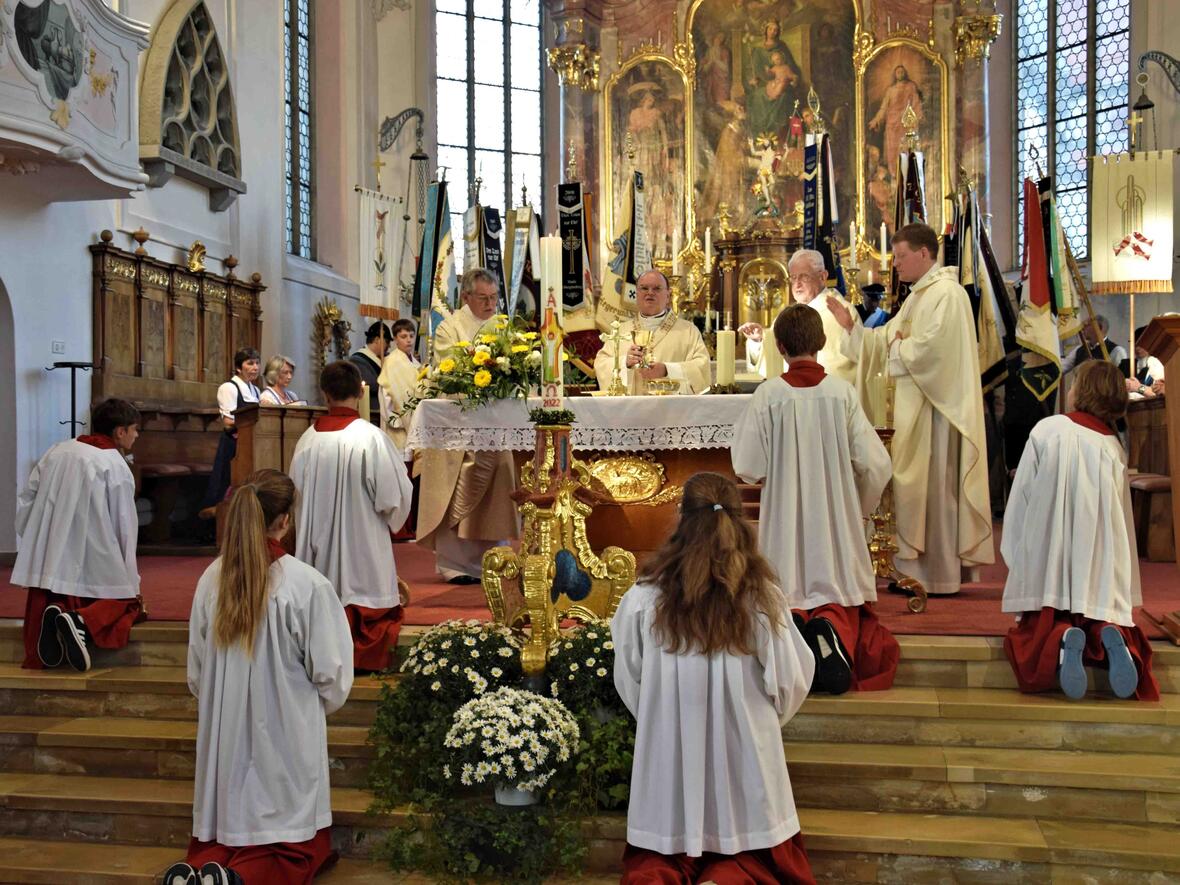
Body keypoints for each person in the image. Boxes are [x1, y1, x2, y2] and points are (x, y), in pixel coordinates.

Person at [612, 472, 816, 884]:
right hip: (745, 747)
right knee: (749, 845)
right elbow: (791, 679)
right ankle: (730, 875)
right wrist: (759, 725)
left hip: (668, 744)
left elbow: (630, 678)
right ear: (740, 521)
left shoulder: (643, 597)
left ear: (681, 519)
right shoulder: (761, 597)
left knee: (660, 856)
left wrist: (661, 716)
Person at [166, 469, 353, 885]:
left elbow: (196, 672)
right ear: (285, 520)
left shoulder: (211, 579)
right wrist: (303, 708)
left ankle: (199, 871)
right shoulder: (307, 585)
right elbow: (332, 675)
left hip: (224, 732)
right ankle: (237, 880)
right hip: (286, 732)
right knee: (286, 840)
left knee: (225, 829)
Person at [732, 304, 896, 694]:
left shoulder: (769, 395)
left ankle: (797, 644)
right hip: (836, 521)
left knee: (784, 589)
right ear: (822, 342)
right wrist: (859, 508)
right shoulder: (842, 393)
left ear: (779, 345)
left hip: (784, 520)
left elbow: (748, 465)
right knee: (835, 589)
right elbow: (877, 464)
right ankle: (831, 632)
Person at [828, 222, 993, 596]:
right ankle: (911, 569)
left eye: (901, 256)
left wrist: (900, 348)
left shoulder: (947, 295)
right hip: (911, 412)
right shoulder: (919, 296)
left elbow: (933, 353)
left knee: (931, 487)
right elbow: (887, 339)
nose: (895, 264)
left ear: (923, 253)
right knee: (909, 488)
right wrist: (853, 329)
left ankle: (937, 575)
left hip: (936, 414)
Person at [1000, 361, 1159, 701]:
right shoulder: (1113, 447)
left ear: (1080, 391)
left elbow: (1022, 497)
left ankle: (1061, 638)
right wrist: (1120, 581)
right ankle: (1108, 633)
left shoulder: (1048, 429)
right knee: (1096, 607)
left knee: (1036, 627)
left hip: (1050, 554)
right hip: (1097, 562)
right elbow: (1120, 521)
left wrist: (1020, 558)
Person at [290, 361, 413, 671]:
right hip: (363, 549)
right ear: (360, 391)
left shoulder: (306, 441)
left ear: (324, 393)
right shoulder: (369, 438)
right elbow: (393, 498)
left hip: (316, 553)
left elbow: (295, 498)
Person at [13, 398, 143, 671]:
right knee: (129, 603)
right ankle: (80, 620)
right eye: (134, 429)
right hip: (93, 554)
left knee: (53, 592)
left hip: (48, 552)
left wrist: (36, 539)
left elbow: (28, 498)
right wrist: (130, 577)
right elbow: (124, 525)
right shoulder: (115, 466)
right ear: (120, 432)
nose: (136, 435)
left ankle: (57, 616)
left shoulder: (57, 450)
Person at [416, 268, 520, 582]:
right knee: (457, 486)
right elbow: (451, 367)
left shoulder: (503, 326)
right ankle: (455, 564)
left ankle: (495, 558)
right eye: (484, 298)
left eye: (494, 298)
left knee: (497, 491)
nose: (490, 304)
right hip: (460, 422)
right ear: (466, 297)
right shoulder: (450, 327)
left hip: (496, 424)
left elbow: (515, 362)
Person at [739, 249, 861, 383]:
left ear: (823, 277)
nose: (797, 284)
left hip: (828, 393)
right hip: (789, 392)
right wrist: (760, 339)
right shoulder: (787, 315)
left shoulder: (842, 311)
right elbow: (773, 360)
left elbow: (858, 355)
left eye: (804, 276)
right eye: (793, 277)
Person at [593, 270, 710, 395]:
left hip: (672, 410)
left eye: (657, 288)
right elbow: (601, 363)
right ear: (636, 294)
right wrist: (624, 363)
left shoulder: (688, 331)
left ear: (668, 296)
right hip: (630, 409)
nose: (650, 293)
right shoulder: (621, 330)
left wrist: (667, 370)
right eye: (644, 288)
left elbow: (701, 367)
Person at [201, 347, 262, 512]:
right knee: (224, 485)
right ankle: (214, 528)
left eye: (257, 363)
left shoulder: (255, 390)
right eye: (250, 363)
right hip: (233, 446)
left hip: (250, 445)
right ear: (238, 367)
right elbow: (228, 423)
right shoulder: (228, 388)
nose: (255, 367)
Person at [377, 318, 422, 451]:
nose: (409, 340)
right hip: (398, 426)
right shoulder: (391, 362)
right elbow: (385, 396)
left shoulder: (416, 364)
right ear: (395, 339)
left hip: (417, 421)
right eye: (403, 336)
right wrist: (398, 420)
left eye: (411, 336)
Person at [350, 321, 392, 424]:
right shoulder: (358, 360)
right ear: (378, 340)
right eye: (387, 342)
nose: (389, 347)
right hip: (371, 412)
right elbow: (373, 385)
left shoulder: (383, 359)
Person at [1060, 314, 1128, 376]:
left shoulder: (1117, 351)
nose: (1082, 328)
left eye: (1087, 325)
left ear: (1099, 328)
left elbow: (1121, 380)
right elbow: (1061, 368)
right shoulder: (1079, 349)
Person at [1124, 324, 1165, 398]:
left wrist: (1138, 387)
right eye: (1135, 343)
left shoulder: (1160, 363)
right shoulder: (1148, 364)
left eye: (1141, 343)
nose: (1138, 348)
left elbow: (1158, 394)